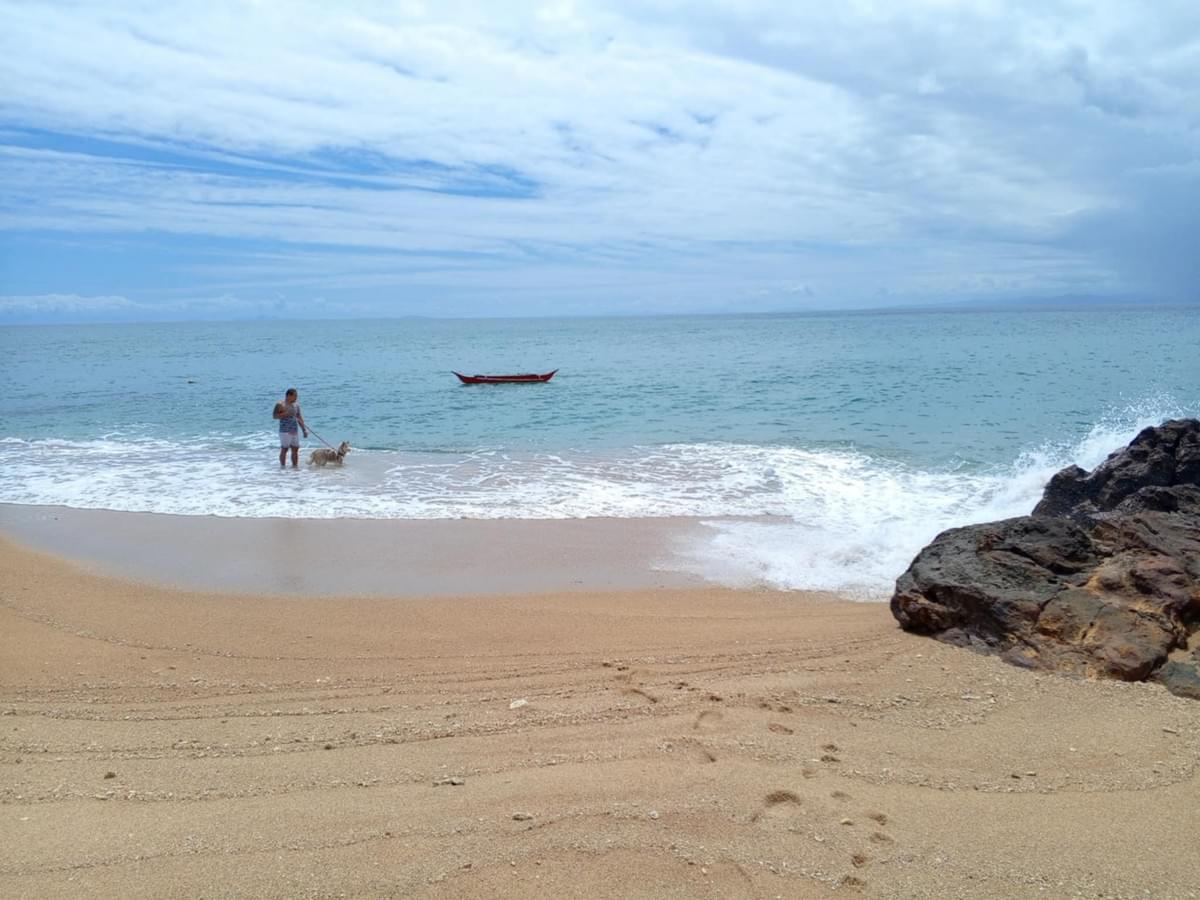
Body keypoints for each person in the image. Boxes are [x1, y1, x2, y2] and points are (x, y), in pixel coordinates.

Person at [273, 387, 309, 468]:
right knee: (285, 449)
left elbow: (299, 417)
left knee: (295, 449)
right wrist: (286, 414)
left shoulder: (296, 405)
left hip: (294, 430)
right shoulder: (280, 404)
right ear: (289, 395)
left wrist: (304, 430)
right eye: (295, 396)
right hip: (285, 431)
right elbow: (274, 416)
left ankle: (295, 467)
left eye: (296, 396)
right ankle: (282, 467)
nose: (296, 398)